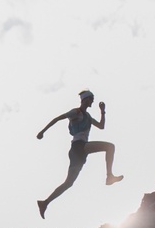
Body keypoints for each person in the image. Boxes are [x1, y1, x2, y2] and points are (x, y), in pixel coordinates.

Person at [35, 90, 123, 218]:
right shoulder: (75, 112)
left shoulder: (87, 116)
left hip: (80, 152)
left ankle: (45, 203)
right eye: (91, 99)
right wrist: (42, 131)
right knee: (110, 147)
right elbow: (58, 118)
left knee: (69, 183)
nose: (92, 101)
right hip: (78, 147)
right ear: (85, 99)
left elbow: (101, 126)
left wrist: (102, 111)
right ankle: (109, 176)